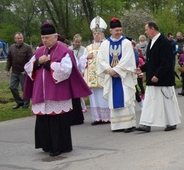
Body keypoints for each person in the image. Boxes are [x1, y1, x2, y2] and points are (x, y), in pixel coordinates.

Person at [23, 22, 91, 155]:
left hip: (57, 92)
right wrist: (38, 62)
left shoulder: (64, 50)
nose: (45, 40)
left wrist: (49, 63)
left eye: (47, 38)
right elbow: (28, 67)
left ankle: (59, 146)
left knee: (57, 120)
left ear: (55, 37)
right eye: (43, 38)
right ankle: (47, 145)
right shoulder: (38, 51)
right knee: (44, 119)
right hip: (41, 92)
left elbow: (66, 70)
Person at [136, 21, 182, 133]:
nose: (146, 32)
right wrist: (141, 69)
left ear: (152, 28)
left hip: (163, 78)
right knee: (149, 102)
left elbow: (166, 61)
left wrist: (158, 75)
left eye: (146, 29)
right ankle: (146, 124)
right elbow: (151, 61)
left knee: (167, 100)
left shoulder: (164, 42)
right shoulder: (151, 42)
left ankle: (172, 122)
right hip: (153, 78)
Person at [97, 17, 138, 132]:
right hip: (111, 76)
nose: (119, 32)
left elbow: (128, 59)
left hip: (123, 76)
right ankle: (117, 125)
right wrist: (109, 70)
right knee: (113, 98)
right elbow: (101, 59)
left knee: (126, 98)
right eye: (116, 30)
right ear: (111, 31)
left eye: (120, 30)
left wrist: (117, 70)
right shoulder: (105, 44)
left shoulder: (126, 43)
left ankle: (129, 124)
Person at [82, 28, 110, 125]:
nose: (96, 35)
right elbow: (81, 62)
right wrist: (86, 58)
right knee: (93, 96)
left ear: (102, 34)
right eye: (95, 33)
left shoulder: (105, 45)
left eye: (98, 33)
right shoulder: (88, 48)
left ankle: (107, 117)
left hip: (102, 76)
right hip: (92, 78)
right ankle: (97, 118)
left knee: (104, 96)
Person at [6, 32, 33, 109]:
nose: (19, 39)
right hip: (14, 71)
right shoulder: (11, 47)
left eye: (21, 38)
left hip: (23, 72)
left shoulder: (27, 47)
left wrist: (27, 70)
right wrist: (7, 69)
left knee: (24, 88)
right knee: (12, 87)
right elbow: (9, 59)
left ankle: (26, 104)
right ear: (15, 39)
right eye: (18, 38)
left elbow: (30, 60)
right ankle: (19, 102)